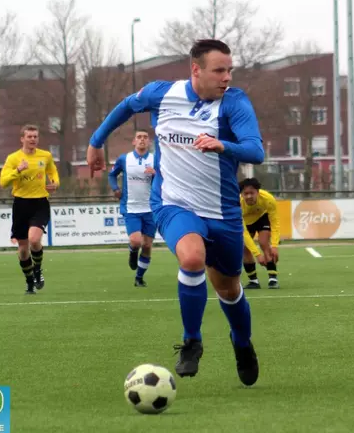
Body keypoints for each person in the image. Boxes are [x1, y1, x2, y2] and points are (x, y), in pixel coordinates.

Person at [86, 39, 264, 386]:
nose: (226, 77)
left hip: (223, 211)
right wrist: (96, 142)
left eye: (230, 70)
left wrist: (222, 144)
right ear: (195, 70)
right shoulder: (161, 94)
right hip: (173, 202)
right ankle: (191, 342)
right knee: (192, 258)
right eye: (219, 70)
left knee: (228, 288)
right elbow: (125, 106)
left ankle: (241, 343)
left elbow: (255, 151)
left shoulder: (235, 103)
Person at [0, 124, 59, 294]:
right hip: (21, 205)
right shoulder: (13, 158)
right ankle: (29, 282)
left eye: (35, 136)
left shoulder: (45, 156)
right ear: (22, 139)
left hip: (40, 203)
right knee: (23, 249)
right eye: (29, 136)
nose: (33, 139)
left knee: (34, 240)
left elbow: (53, 172)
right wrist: (18, 170)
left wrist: (55, 183)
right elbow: (3, 182)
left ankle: (38, 270)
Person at [108, 130, 156, 287]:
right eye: (139, 137)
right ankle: (133, 252)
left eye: (145, 138)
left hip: (150, 208)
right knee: (136, 241)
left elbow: (166, 179)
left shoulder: (155, 159)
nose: (142, 140)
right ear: (134, 142)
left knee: (147, 245)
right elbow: (111, 175)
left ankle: (139, 278)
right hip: (131, 207)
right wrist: (115, 189)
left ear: (149, 142)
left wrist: (156, 174)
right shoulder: (125, 159)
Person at [239, 178, 281, 289]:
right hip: (246, 222)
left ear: (257, 192)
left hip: (262, 217)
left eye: (251, 193)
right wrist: (257, 255)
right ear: (241, 194)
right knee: (244, 248)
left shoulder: (268, 199)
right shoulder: (237, 205)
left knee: (264, 242)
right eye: (245, 193)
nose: (249, 196)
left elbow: (275, 223)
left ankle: (273, 279)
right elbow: (244, 233)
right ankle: (254, 281)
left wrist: (275, 245)